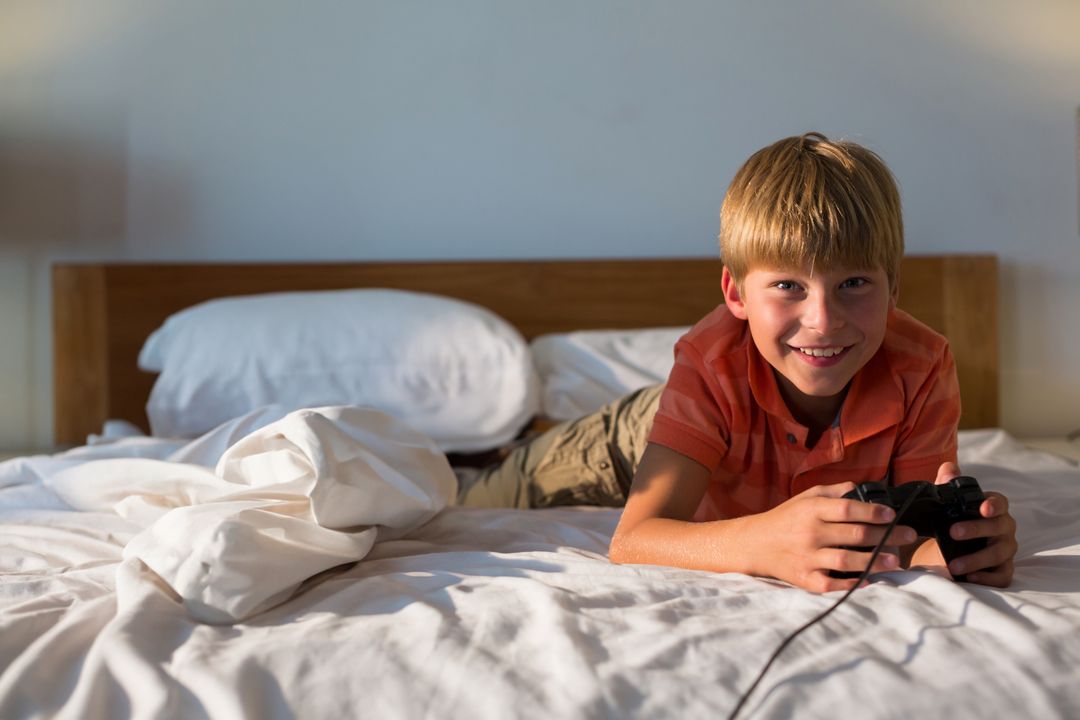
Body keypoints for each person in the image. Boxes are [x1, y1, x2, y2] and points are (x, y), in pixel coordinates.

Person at [460, 132, 1017, 594]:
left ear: (894, 288)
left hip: (730, 459)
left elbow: (911, 530)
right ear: (736, 294)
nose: (823, 320)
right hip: (626, 443)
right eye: (787, 285)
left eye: (853, 283)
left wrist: (958, 549)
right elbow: (632, 540)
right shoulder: (710, 360)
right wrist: (763, 541)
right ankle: (497, 449)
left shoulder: (923, 364)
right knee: (471, 493)